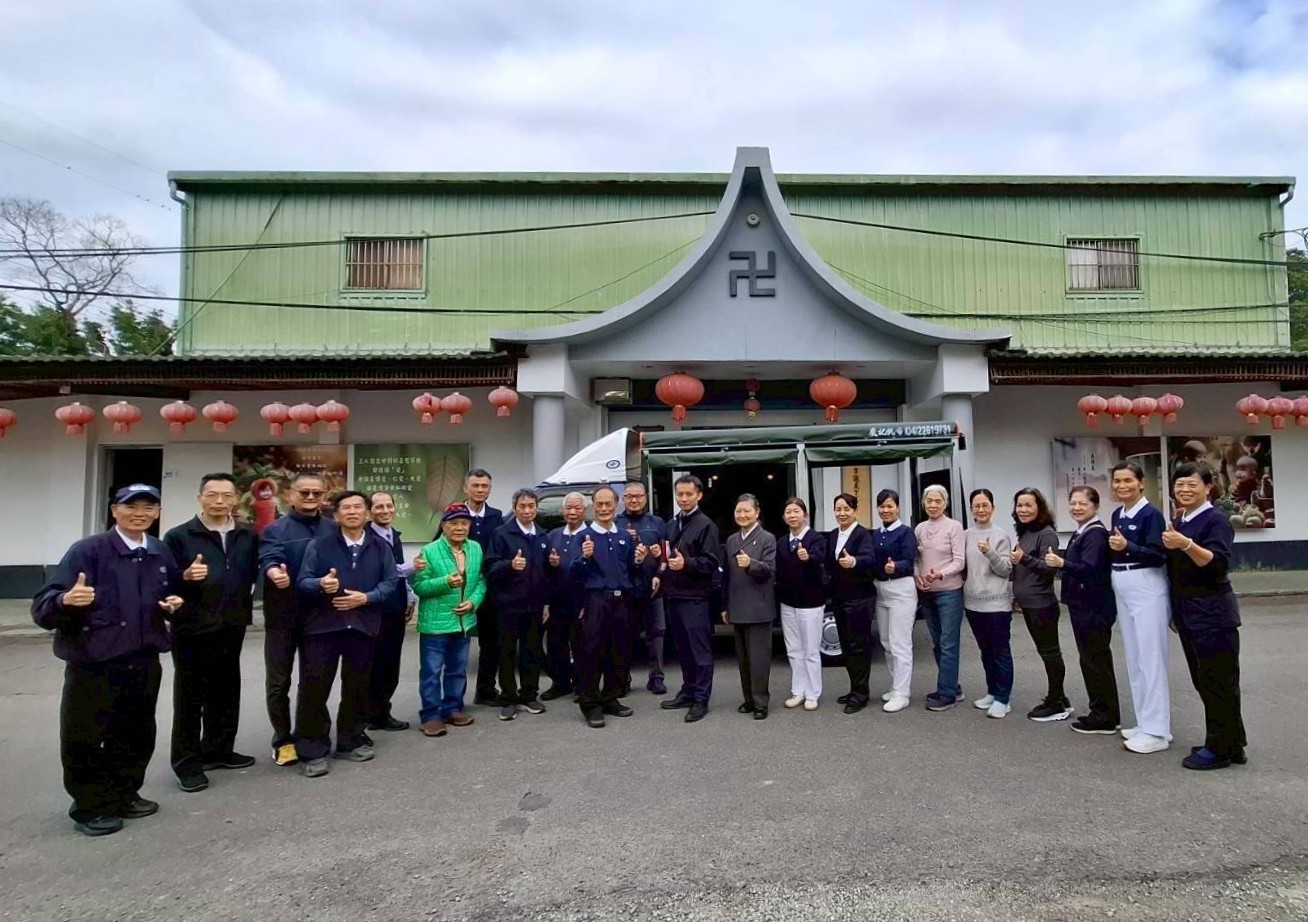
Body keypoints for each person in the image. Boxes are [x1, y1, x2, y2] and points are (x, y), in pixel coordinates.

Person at [31, 484, 183, 837]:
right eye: (131, 506)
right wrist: (66, 600)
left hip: (143, 659)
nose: (140, 513)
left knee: (136, 734)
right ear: (115, 510)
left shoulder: (159, 552)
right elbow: (42, 606)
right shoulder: (88, 551)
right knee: (85, 737)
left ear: (158, 513)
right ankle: (89, 806)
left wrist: (173, 604)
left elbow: (170, 593)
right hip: (95, 662)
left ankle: (125, 793)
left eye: (149, 506)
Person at [162, 473, 259, 794]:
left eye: (226, 495)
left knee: (226, 691)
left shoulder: (246, 534)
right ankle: (187, 763)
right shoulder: (179, 536)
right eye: (212, 495)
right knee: (190, 698)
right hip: (192, 626)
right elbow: (162, 581)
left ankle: (218, 750)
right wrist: (184, 576)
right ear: (200, 497)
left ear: (235, 499)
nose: (220, 501)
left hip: (232, 624)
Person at [295, 491, 398, 778]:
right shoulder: (319, 545)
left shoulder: (380, 547)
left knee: (357, 687)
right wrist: (320, 584)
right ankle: (312, 750)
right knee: (314, 690)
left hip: (363, 626)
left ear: (367, 514)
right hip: (322, 628)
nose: (353, 512)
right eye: (346, 508)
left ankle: (350, 740)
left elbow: (390, 582)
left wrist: (366, 598)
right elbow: (302, 581)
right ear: (336, 515)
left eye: (358, 507)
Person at [1163, 463, 1248, 770]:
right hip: (1188, 614)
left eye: (1191, 485)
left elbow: (1218, 565)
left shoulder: (1216, 520)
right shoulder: (1179, 520)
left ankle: (1220, 749)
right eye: (1179, 485)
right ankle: (1231, 742)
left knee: (1219, 682)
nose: (1184, 490)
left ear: (1208, 487)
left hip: (1213, 614)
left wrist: (1185, 544)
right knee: (1205, 681)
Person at [258, 472, 337, 767]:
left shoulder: (333, 527)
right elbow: (269, 557)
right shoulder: (276, 529)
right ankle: (282, 738)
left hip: (320, 616)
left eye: (316, 493)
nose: (310, 498)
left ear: (324, 496)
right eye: (304, 493)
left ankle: (312, 733)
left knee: (314, 680)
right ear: (290, 494)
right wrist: (274, 573)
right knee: (279, 682)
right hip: (282, 616)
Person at [1045, 486, 1122, 735]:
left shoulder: (1095, 534)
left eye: (1083, 503)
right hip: (1084, 606)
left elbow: (1090, 568)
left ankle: (1105, 716)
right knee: (1090, 659)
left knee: (1095, 660)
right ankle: (1101, 711)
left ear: (1095, 507)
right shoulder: (1083, 532)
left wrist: (1062, 563)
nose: (1076, 507)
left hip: (1094, 607)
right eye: (1073, 503)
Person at [1108, 461, 1173, 754]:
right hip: (1123, 584)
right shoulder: (1117, 514)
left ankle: (1158, 731)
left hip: (1147, 586)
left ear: (1141, 483)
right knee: (1134, 657)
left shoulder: (1151, 515)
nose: (1122, 486)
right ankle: (1144, 721)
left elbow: (1159, 555)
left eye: (1127, 481)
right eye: (1117, 481)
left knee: (1151, 658)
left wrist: (1128, 548)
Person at [571, 486, 648, 727]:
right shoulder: (582, 537)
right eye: (600, 504)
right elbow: (573, 573)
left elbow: (632, 572)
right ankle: (591, 704)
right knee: (592, 652)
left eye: (609, 504)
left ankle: (611, 697)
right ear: (593, 506)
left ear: (617, 506)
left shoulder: (624, 536)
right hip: (596, 601)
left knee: (620, 652)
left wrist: (638, 560)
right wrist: (585, 557)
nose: (604, 509)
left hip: (622, 601)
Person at [410, 503, 483, 737]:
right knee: (431, 671)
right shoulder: (429, 551)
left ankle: (452, 708)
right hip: (435, 624)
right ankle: (431, 715)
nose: (459, 528)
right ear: (444, 526)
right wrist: (445, 582)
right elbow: (418, 585)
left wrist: (473, 602)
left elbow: (481, 580)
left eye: (464, 523)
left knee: (457, 668)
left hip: (463, 620)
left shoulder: (475, 548)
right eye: (454, 523)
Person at [659, 474, 721, 723]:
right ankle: (688, 690)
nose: (683, 498)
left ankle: (701, 699)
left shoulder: (706, 525)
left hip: (696, 598)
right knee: (683, 650)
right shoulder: (673, 524)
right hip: (674, 595)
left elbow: (712, 562)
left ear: (699, 495)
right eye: (680, 494)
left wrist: (687, 563)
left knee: (700, 651)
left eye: (688, 494)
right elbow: (667, 554)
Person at [485, 488, 550, 721]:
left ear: (536, 508)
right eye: (522, 506)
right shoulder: (501, 534)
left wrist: (546, 603)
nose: (527, 510)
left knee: (531, 652)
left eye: (531, 506)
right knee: (507, 652)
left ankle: (530, 695)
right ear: (514, 508)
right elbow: (490, 567)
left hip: (534, 605)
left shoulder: (542, 535)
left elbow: (546, 574)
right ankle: (509, 698)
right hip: (508, 605)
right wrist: (509, 566)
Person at [1010, 487, 1072, 722]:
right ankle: (1060, 696)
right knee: (1045, 652)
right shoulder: (1025, 533)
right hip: (1028, 604)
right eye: (1019, 505)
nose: (1023, 509)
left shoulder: (1047, 534)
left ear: (1040, 508)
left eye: (1029, 505)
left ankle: (1056, 702)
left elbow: (1050, 569)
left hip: (1042, 604)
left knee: (1050, 653)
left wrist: (1023, 558)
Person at [447, 469, 505, 707]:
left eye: (485, 486)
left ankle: (486, 690)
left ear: (490, 489)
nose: (480, 490)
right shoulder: (453, 514)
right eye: (476, 486)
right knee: (456, 643)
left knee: (491, 643)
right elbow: (438, 546)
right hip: (459, 589)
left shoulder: (497, 516)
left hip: (489, 590)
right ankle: (452, 698)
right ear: (465, 488)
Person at [364, 491, 417, 733]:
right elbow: (381, 571)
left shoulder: (393, 535)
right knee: (373, 664)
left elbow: (398, 574)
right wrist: (411, 567)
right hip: (375, 609)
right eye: (379, 506)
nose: (385, 510)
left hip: (396, 607)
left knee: (391, 663)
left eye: (389, 506)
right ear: (370, 511)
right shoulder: (365, 536)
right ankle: (368, 715)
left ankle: (382, 712)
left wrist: (409, 598)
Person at [722, 494, 777, 719]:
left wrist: (751, 564)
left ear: (757, 512)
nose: (742, 515)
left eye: (746, 511)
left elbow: (770, 571)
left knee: (759, 658)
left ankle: (761, 701)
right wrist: (724, 606)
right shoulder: (732, 540)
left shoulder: (767, 538)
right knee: (743, 658)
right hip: (737, 605)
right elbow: (725, 576)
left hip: (759, 607)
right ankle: (748, 699)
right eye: (738, 511)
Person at [962, 489, 1014, 720]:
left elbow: (1005, 570)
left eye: (985, 505)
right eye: (976, 505)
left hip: (997, 603)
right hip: (973, 602)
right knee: (986, 650)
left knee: (1000, 650)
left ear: (993, 507)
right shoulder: (966, 534)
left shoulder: (1001, 534)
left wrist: (990, 552)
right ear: (971, 509)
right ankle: (992, 692)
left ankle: (1004, 699)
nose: (981, 510)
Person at [915, 484, 966, 712]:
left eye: (937, 501)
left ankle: (946, 694)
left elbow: (960, 561)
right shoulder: (919, 528)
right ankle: (951, 686)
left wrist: (940, 574)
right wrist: (918, 577)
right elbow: (917, 559)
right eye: (929, 501)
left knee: (948, 643)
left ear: (945, 503)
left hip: (949, 591)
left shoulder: (954, 527)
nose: (933, 505)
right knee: (937, 642)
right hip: (927, 593)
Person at [826, 492, 877, 714]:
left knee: (859, 645)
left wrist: (853, 561)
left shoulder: (862, 534)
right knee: (846, 646)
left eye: (847, 508)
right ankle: (854, 687)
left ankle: (861, 694)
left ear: (855, 510)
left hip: (859, 598)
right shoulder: (833, 535)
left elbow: (870, 558)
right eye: (838, 509)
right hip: (839, 597)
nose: (842, 513)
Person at [616, 480, 669, 695]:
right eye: (629, 496)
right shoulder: (615, 523)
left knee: (656, 634)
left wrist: (659, 574)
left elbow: (666, 555)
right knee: (623, 635)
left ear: (645, 499)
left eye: (638, 496)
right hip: (626, 590)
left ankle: (656, 678)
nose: (634, 500)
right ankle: (623, 679)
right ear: (623, 500)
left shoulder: (657, 523)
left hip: (652, 588)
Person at [775, 497, 826, 711]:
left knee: (811, 650)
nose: (793, 515)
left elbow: (820, 560)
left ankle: (813, 693)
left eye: (797, 511)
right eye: (789, 512)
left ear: (805, 515)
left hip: (811, 603)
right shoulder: (782, 542)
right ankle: (798, 691)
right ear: (784, 517)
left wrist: (808, 558)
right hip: (788, 603)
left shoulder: (816, 539)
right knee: (793, 650)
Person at [871, 489, 917, 713]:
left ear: (897, 507)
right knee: (887, 643)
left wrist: (895, 566)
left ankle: (903, 693)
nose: (885, 510)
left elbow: (909, 562)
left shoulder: (906, 532)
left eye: (890, 506)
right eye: (881, 506)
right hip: (881, 589)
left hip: (901, 588)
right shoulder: (876, 533)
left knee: (900, 644)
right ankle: (895, 685)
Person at [542, 492, 588, 700]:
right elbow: (545, 569)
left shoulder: (591, 535)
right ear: (563, 511)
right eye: (569, 508)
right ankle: (560, 683)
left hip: (581, 599)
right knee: (556, 644)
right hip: (557, 599)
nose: (572, 511)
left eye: (577, 508)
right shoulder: (553, 535)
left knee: (581, 645)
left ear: (585, 511)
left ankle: (581, 685)